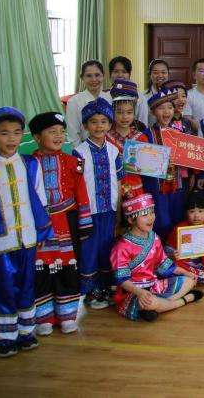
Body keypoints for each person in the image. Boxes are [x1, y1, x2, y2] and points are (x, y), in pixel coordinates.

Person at [0, 107, 52, 357]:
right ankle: (6, 337)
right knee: (2, 288)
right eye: (5, 133)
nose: (12, 139)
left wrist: (41, 232)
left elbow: (40, 198)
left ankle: (26, 331)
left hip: (27, 239)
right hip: (0, 243)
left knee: (27, 285)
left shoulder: (30, 163)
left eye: (17, 133)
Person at [29, 111, 92, 336]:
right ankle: (44, 317)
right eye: (52, 132)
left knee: (68, 269)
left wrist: (85, 221)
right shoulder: (28, 164)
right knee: (41, 270)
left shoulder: (74, 162)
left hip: (67, 222)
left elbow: (81, 192)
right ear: (37, 137)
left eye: (61, 132)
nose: (58, 136)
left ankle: (66, 316)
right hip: (39, 226)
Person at [110, 193, 201, 322]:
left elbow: (164, 265)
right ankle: (183, 300)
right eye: (145, 215)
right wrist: (140, 293)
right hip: (133, 292)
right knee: (150, 302)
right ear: (131, 220)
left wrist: (187, 273)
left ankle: (160, 306)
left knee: (190, 280)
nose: (151, 218)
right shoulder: (121, 246)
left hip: (154, 286)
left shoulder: (155, 237)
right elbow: (122, 280)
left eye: (152, 212)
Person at [73, 98, 123, 308]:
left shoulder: (114, 151)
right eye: (93, 122)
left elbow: (119, 181)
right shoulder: (79, 152)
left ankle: (105, 286)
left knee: (107, 247)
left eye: (103, 121)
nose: (99, 126)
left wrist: (119, 209)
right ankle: (91, 290)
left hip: (109, 209)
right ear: (85, 125)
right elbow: (76, 184)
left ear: (110, 124)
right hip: (89, 212)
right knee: (89, 249)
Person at [142, 87, 194, 238]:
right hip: (156, 188)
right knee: (161, 222)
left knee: (178, 219)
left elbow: (190, 158)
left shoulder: (181, 134)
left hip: (178, 186)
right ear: (153, 112)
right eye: (161, 108)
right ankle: (159, 249)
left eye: (170, 107)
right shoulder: (146, 135)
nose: (166, 112)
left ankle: (175, 248)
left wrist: (193, 174)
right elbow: (141, 164)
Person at [65, 60, 111, 144]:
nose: (94, 79)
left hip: (110, 146)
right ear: (82, 78)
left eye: (97, 75)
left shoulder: (110, 98)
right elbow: (73, 135)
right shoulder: (74, 102)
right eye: (89, 76)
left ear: (103, 76)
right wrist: (82, 151)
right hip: (84, 147)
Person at [136, 59, 172, 126]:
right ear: (150, 74)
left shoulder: (174, 94)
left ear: (168, 74)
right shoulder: (142, 97)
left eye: (163, 72)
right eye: (155, 73)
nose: (160, 75)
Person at [185, 58, 204, 124]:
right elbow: (187, 118)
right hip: (197, 130)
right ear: (194, 75)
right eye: (201, 71)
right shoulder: (188, 95)